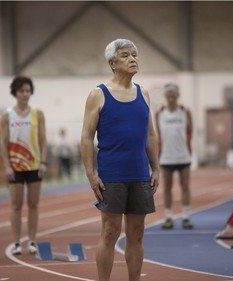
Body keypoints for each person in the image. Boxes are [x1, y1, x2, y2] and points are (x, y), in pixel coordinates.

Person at [81, 39, 160, 281]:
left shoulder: (143, 93)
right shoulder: (98, 94)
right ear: (113, 63)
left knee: (136, 234)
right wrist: (91, 175)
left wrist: (155, 167)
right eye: (126, 56)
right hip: (112, 175)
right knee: (110, 232)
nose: (133, 59)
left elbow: (150, 134)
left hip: (139, 173)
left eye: (135, 55)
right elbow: (86, 136)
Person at [0, 76, 48, 255]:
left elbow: (43, 140)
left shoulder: (38, 114)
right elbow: (3, 142)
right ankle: (17, 242)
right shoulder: (7, 115)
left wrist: (43, 162)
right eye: (22, 91)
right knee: (16, 205)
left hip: (34, 165)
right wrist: (7, 166)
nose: (25, 94)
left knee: (33, 204)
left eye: (28, 91)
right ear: (15, 93)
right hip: (15, 166)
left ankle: (33, 240)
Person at [155, 83, 194, 230]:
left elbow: (190, 131)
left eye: (173, 95)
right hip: (166, 157)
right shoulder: (160, 112)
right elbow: (156, 134)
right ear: (165, 96)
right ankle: (168, 217)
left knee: (185, 186)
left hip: (183, 156)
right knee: (167, 188)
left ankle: (185, 217)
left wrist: (188, 149)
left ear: (178, 96)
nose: (171, 98)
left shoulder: (185, 111)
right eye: (168, 95)